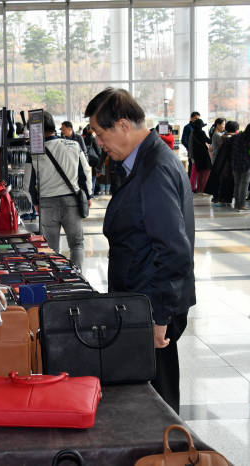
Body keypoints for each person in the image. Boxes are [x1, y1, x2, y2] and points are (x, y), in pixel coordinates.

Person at [84, 88, 195, 413]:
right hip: (144, 299)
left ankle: (167, 456)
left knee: (156, 398)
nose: (100, 143)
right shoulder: (146, 160)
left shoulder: (154, 169)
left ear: (122, 126)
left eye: (101, 134)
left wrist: (159, 317)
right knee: (151, 393)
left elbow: (174, 251)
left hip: (152, 304)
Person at [32, 111, 92, 268]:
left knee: (51, 249)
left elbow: (29, 183)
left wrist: (34, 201)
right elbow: (85, 171)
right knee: (77, 244)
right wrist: (89, 195)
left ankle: (54, 282)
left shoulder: (34, 152)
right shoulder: (74, 145)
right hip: (71, 200)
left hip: (46, 202)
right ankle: (77, 279)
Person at [205, 121, 239, 207]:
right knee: (229, 182)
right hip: (232, 164)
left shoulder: (224, 137)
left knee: (222, 181)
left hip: (222, 163)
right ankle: (226, 199)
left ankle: (222, 198)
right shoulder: (235, 138)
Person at [231, 123, 250, 212]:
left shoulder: (237, 136)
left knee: (237, 184)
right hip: (246, 164)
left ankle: (236, 204)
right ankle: (242, 205)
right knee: (244, 185)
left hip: (235, 163)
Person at [189, 119, 212, 193]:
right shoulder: (202, 133)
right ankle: (203, 189)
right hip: (204, 155)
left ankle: (199, 189)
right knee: (205, 173)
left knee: (199, 173)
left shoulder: (192, 133)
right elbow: (209, 141)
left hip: (196, 155)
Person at [181, 111, 200, 175]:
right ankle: (189, 183)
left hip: (198, 151)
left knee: (197, 169)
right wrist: (189, 148)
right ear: (191, 118)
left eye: (198, 119)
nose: (197, 120)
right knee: (191, 168)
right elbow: (184, 140)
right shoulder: (187, 127)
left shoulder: (198, 127)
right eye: (195, 118)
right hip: (191, 151)